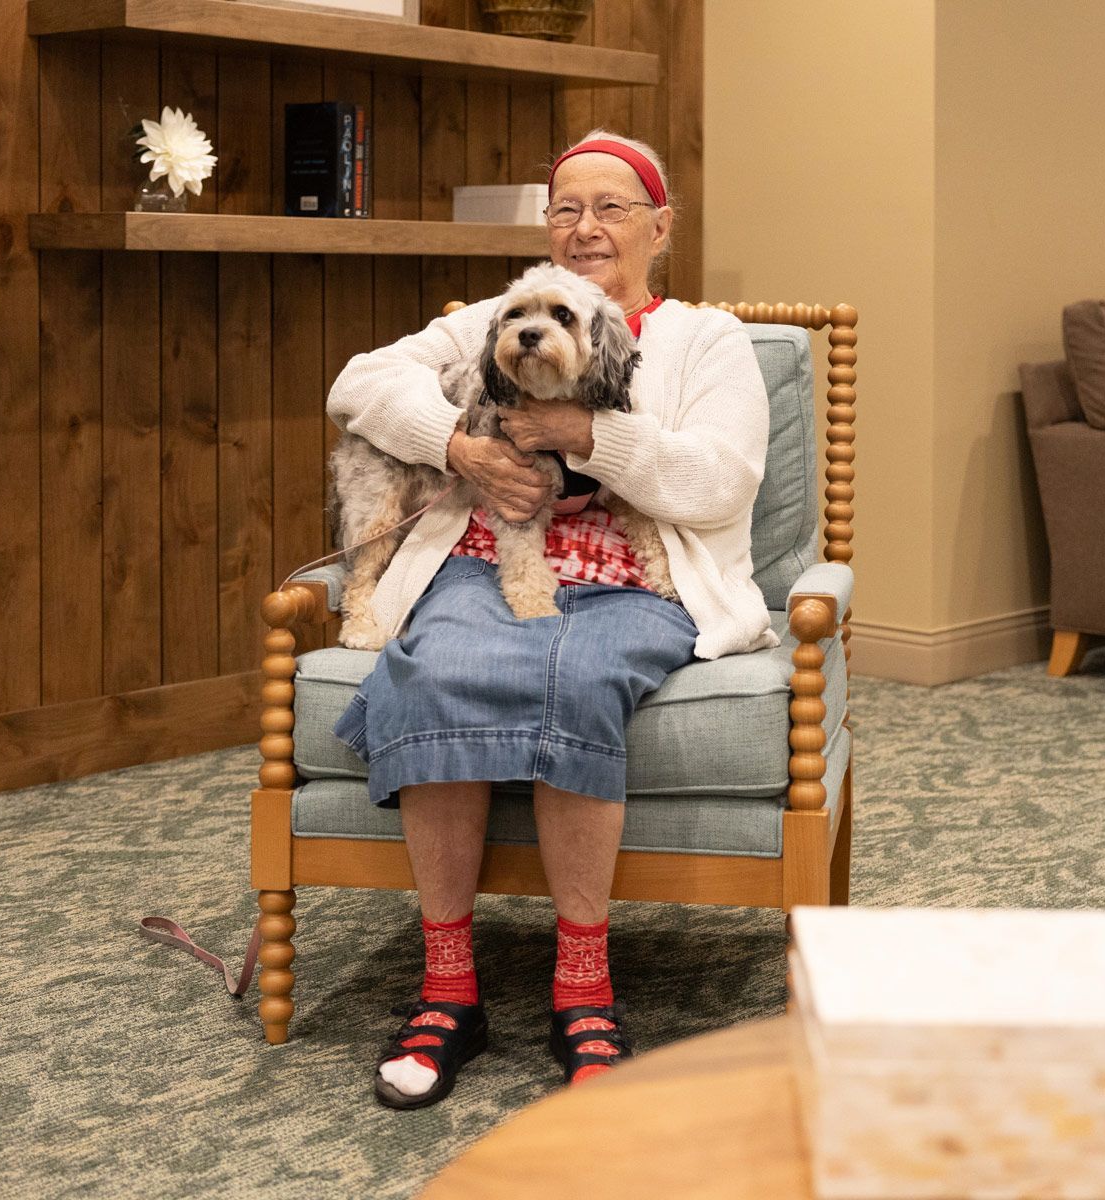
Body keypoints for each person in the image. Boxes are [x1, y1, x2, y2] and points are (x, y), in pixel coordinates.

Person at [324, 130, 775, 1110]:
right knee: (433, 671)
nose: (587, 227)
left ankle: (583, 982)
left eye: (612, 207)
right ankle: (449, 987)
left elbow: (718, 484)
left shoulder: (708, 340)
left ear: (661, 225)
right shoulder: (498, 316)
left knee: (576, 675)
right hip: (486, 559)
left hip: (639, 577)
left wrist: (594, 436)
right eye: (567, 207)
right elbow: (356, 384)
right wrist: (452, 443)